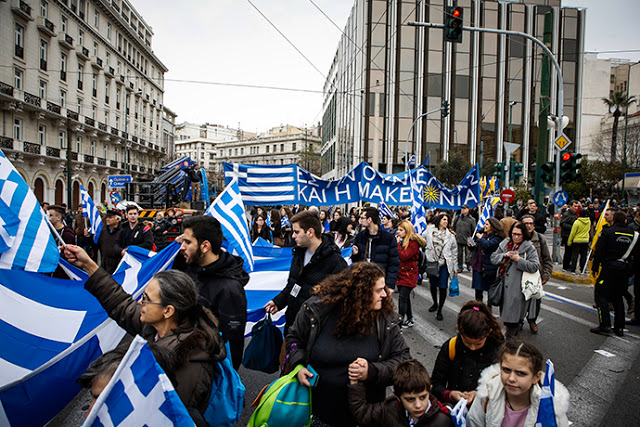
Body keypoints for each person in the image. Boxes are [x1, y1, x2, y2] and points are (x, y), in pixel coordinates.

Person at [63, 245, 226, 422]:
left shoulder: (192, 368)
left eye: (147, 299)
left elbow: (173, 418)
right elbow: (121, 304)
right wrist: (89, 265)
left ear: (168, 311)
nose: (140, 302)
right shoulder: (154, 327)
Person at [286, 262, 411, 427]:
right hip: (318, 414)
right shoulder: (317, 310)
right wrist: (299, 365)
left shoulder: (386, 320)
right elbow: (294, 338)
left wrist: (372, 371)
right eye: (379, 290)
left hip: (367, 416)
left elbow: (404, 361)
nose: (385, 295)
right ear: (360, 293)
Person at [177, 215, 249, 369]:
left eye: (187, 242)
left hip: (204, 372)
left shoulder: (229, 290)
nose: (181, 246)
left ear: (205, 246)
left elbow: (231, 346)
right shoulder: (192, 267)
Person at [265, 211, 348, 333]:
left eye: (296, 232)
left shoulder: (336, 262)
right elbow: (293, 284)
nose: (293, 236)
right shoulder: (298, 254)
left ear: (310, 232)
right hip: (293, 326)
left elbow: (341, 302)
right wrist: (278, 301)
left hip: (316, 332)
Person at [466, 339, 570, 427]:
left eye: (521, 373)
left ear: (536, 377)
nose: (511, 378)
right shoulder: (487, 393)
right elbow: (473, 421)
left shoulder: (551, 408)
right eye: (506, 370)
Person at [431, 301, 504, 406]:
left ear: (488, 332)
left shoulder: (500, 350)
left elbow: (507, 385)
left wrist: (482, 393)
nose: (473, 348)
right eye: (468, 343)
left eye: (478, 344)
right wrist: (450, 394)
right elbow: (436, 383)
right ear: (460, 332)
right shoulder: (451, 347)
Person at [348, 359, 454, 427]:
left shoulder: (443, 420)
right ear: (397, 397)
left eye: (422, 397)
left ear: (429, 390)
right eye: (410, 399)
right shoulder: (389, 409)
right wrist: (355, 383)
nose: (418, 405)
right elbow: (362, 413)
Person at [591, 211, 639, 337]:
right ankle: (619, 327)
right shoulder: (634, 235)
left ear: (614, 220)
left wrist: (595, 268)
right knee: (618, 298)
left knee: (601, 295)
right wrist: (631, 271)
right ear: (625, 221)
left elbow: (599, 252)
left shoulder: (607, 232)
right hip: (624, 269)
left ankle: (605, 324)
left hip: (608, 268)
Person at [490, 222, 540, 338]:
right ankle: (510, 337)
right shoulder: (506, 243)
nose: (516, 237)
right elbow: (493, 257)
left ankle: (511, 343)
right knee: (506, 317)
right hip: (503, 284)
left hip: (517, 287)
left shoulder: (529, 247)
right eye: (514, 234)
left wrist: (519, 260)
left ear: (524, 235)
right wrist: (504, 255)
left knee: (514, 319)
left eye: (519, 234)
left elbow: (535, 266)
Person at [351, 207, 400, 290]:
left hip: (380, 281)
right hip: (363, 281)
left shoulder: (388, 238)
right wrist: (355, 254)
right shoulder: (360, 236)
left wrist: (390, 285)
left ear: (369, 219)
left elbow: (394, 264)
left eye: (362, 217)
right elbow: (356, 261)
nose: (360, 220)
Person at [521, 215, 553, 334]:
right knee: (520, 300)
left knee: (535, 300)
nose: (528, 225)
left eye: (530, 223)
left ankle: (532, 320)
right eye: (526, 223)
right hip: (521, 275)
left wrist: (545, 275)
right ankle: (518, 320)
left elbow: (547, 259)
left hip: (535, 275)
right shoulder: (518, 237)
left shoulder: (540, 238)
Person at [423, 213, 458, 321]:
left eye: (447, 220)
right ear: (439, 220)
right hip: (432, 262)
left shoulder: (450, 236)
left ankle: (440, 310)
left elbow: (454, 252)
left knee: (443, 286)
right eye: (444, 219)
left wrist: (455, 267)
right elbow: (422, 241)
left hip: (444, 264)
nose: (446, 222)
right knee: (433, 284)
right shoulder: (429, 232)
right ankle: (435, 303)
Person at [396, 220, 426, 328]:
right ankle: (410, 318)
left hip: (409, 274)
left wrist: (397, 245)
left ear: (407, 231)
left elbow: (404, 256)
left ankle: (399, 324)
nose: (398, 232)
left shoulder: (413, 242)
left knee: (402, 298)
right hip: (401, 272)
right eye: (398, 229)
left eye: (401, 230)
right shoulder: (403, 241)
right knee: (405, 297)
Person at [471, 218, 505, 305]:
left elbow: (488, 245)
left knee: (490, 292)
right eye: (484, 224)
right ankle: (478, 310)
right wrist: (471, 244)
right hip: (478, 266)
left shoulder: (497, 238)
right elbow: (476, 248)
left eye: (487, 224)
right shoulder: (482, 234)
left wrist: (481, 238)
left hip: (489, 268)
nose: (484, 226)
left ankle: (488, 312)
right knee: (478, 292)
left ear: (493, 226)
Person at [96, 209, 123, 274]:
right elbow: (97, 245)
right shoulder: (103, 232)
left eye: (110, 217)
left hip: (117, 264)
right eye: (107, 217)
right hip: (105, 264)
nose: (107, 219)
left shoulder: (122, 232)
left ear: (117, 219)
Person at [454, 204, 477, 271]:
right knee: (459, 254)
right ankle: (460, 267)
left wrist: (473, 239)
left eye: (464, 208)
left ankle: (469, 265)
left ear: (468, 209)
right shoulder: (458, 217)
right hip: (459, 238)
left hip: (468, 239)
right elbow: (454, 226)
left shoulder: (471, 219)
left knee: (468, 254)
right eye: (462, 208)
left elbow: (474, 230)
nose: (463, 210)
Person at [560, 200, 579, 271]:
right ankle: (566, 265)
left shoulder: (574, 214)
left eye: (577, 206)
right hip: (567, 235)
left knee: (571, 251)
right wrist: (573, 227)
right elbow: (562, 224)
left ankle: (568, 265)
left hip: (572, 235)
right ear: (570, 206)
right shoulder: (567, 214)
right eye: (575, 206)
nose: (576, 208)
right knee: (568, 251)